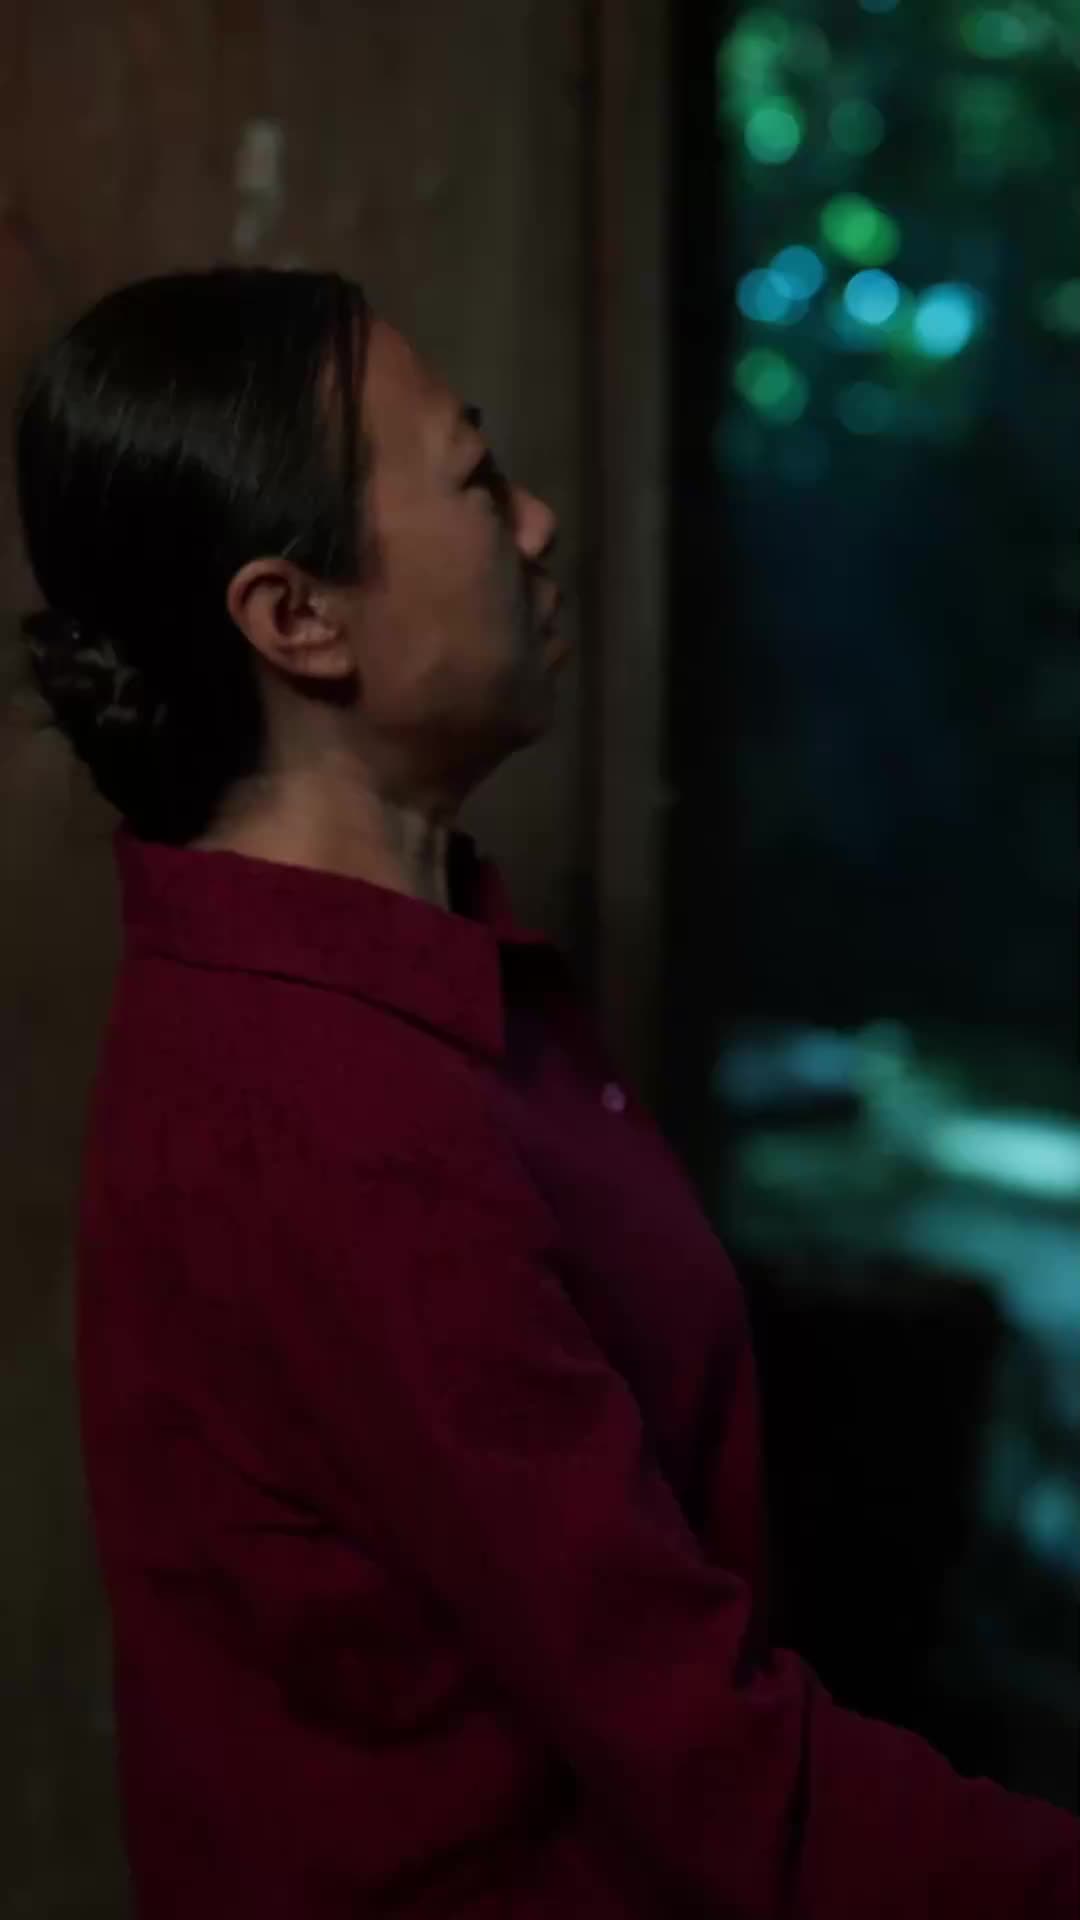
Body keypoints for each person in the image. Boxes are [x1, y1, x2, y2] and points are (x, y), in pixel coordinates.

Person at [14, 267, 1078, 1919]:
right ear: (298, 620)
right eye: (474, 477)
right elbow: (718, 1781)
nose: (537, 523)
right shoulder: (339, 1118)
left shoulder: (376, 997)